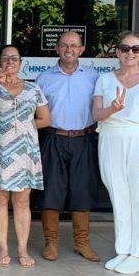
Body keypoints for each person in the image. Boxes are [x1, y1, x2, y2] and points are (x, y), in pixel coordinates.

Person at [92, 31, 139, 274]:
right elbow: (96, 114)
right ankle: (124, 250)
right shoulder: (104, 80)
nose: (130, 53)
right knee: (119, 196)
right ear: (117, 51)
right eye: (125, 48)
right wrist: (112, 109)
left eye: (135, 48)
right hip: (111, 138)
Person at [36, 31, 101, 263]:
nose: (69, 49)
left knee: (82, 190)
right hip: (54, 138)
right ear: (57, 49)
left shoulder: (94, 77)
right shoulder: (44, 78)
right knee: (51, 191)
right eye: (64, 45)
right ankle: (51, 243)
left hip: (84, 139)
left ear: (82, 49)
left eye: (74, 45)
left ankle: (82, 243)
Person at [0, 44, 50, 268]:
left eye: (14, 58)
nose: (10, 62)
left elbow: (45, 119)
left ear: (21, 63)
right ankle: (3, 247)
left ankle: (22, 248)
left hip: (24, 152)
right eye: (5, 58)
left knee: (22, 201)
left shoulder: (33, 89)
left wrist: (23, 129)